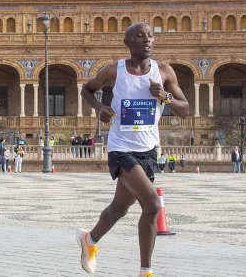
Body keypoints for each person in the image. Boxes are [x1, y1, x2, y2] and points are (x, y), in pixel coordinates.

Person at [78, 22, 189, 277]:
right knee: (152, 204)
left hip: (148, 149)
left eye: (151, 35)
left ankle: (89, 240)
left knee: (118, 209)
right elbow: (87, 90)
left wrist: (166, 97)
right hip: (121, 148)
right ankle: (145, 271)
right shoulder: (114, 71)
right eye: (140, 36)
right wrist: (99, 108)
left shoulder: (163, 71)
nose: (147, 40)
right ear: (127, 42)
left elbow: (185, 109)